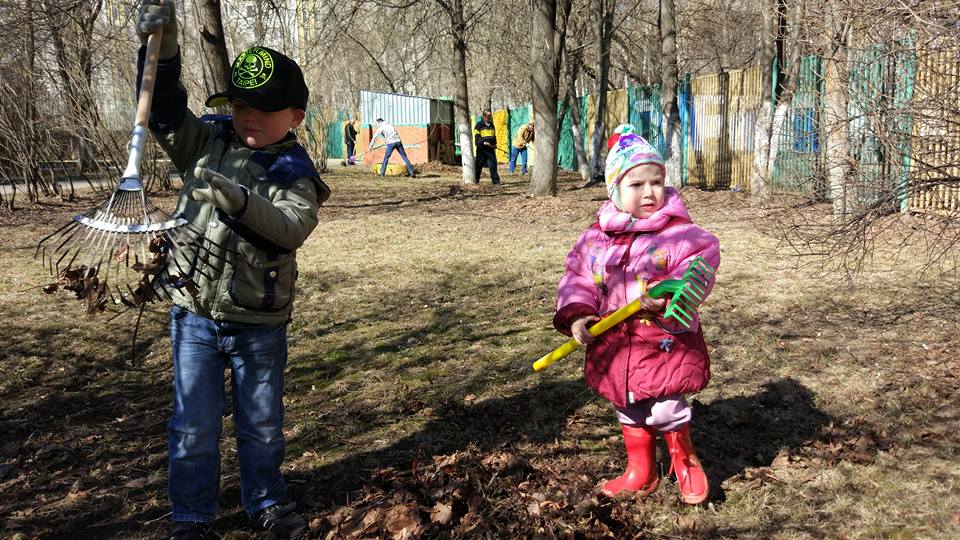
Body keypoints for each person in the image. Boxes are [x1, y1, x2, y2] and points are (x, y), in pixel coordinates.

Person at [136, 2, 330, 538]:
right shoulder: (207, 143)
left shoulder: (294, 172)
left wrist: (241, 202)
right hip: (194, 313)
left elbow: (291, 226)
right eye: (240, 105)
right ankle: (191, 517)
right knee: (192, 426)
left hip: (258, 322)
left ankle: (266, 501)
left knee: (261, 425)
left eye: (262, 110)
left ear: (294, 116)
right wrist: (165, 47)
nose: (247, 117)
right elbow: (163, 108)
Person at [552, 124, 720, 504]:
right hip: (614, 343)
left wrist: (668, 292)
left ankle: (684, 458)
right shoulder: (595, 238)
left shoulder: (678, 232)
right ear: (614, 190)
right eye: (636, 184)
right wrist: (578, 316)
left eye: (657, 181)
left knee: (665, 406)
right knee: (628, 405)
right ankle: (640, 471)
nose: (650, 192)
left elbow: (704, 256)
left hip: (662, 341)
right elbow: (577, 277)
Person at [473, 110, 500, 185]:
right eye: (488, 116)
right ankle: (476, 180)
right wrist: (483, 142)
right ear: (484, 116)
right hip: (481, 149)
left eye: (490, 116)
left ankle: (496, 181)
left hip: (490, 149)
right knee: (478, 165)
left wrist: (494, 144)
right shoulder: (479, 125)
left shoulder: (492, 125)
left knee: (493, 165)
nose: (489, 117)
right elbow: (476, 136)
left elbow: (494, 136)